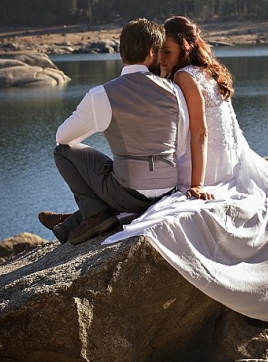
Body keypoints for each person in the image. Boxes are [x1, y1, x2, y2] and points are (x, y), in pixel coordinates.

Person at [103, 16, 268, 323]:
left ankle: (86, 216)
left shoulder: (184, 77)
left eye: (168, 52)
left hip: (206, 168)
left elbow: (200, 132)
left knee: (138, 178)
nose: (162, 60)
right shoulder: (206, 72)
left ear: (185, 48)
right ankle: (83, 216)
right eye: (159, 53)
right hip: (227, 164)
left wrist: (196, 183)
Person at [38, 18, 189, 246]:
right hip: (168, 191)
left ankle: (94, 215)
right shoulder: (174, 91)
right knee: (117, 168)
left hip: (130, 196)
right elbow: (181, 146)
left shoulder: (102, 94)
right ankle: (69, 224)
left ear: (122, 52)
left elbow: (63, 138)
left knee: (62, 152)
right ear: (152, 52)